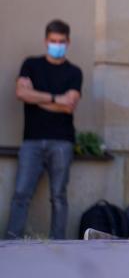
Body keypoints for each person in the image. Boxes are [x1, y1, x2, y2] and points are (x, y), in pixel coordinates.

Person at [5, 19, 82, 240]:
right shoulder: (31, 65)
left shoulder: (74, 72)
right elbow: (21, 94)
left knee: (58, 196)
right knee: (21, 194)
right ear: (45, 41)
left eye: (61, 41)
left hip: (62, 142)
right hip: (32, 141)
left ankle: (57, 243)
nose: (57, 45)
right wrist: (56, 98)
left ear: (68, 42)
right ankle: (11, 242)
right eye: (53, 41)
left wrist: (36, 97)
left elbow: (70, 105)